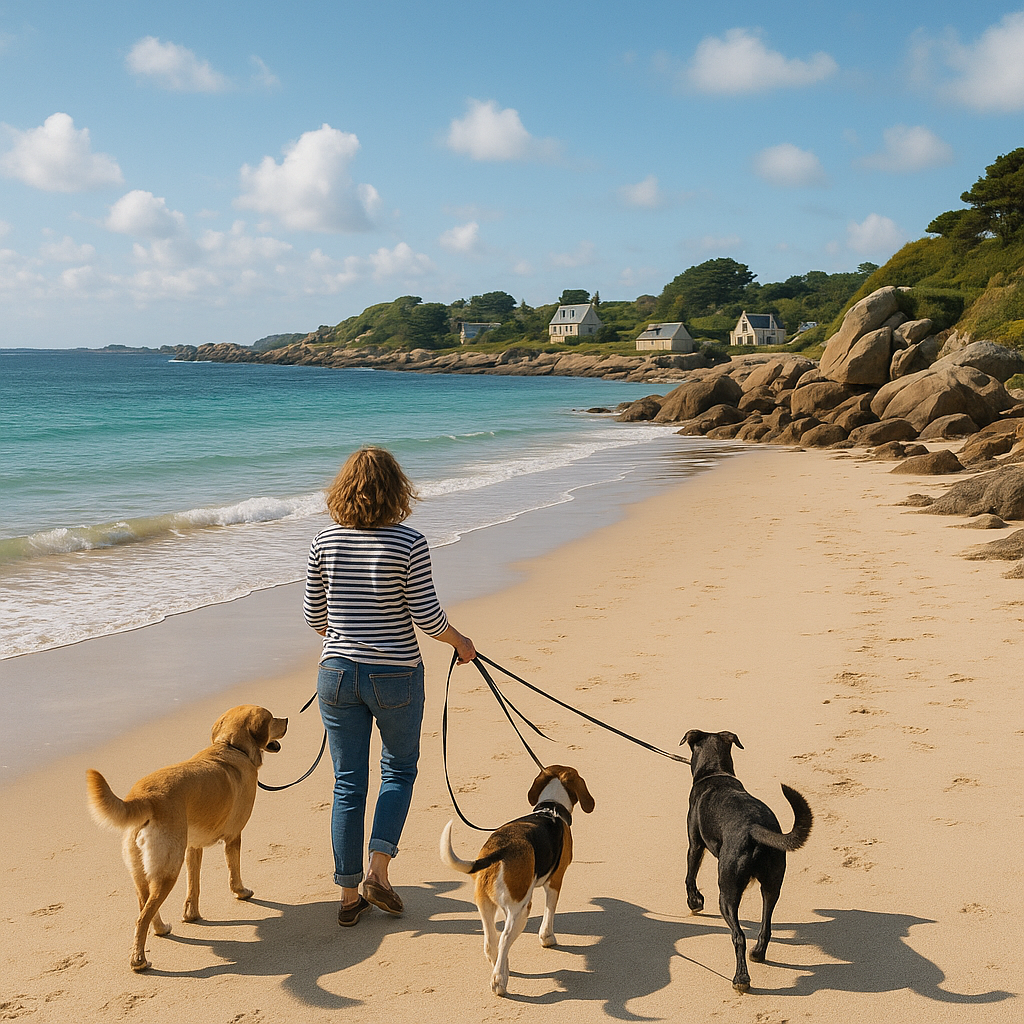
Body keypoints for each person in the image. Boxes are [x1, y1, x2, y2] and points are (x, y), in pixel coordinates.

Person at [303, 447, 475, 927]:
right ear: (397, 490)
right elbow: (427, 618)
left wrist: (345, 639)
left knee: (347, 783)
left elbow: (314, 616)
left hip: (335, 673)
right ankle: (377, 873)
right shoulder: (409, 543)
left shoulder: (324, 541)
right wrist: (461, 643)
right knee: (398, 771)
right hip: (395, 673)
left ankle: (345, 896)